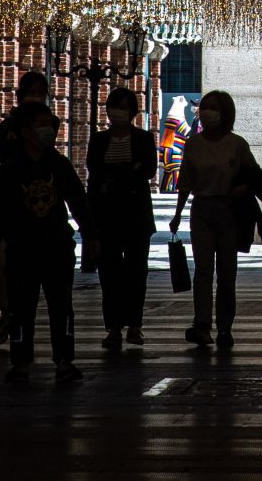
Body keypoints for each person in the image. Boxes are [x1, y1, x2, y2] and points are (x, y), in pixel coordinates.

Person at [0, 100, 88, 383]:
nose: (47, 130)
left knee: (61, 306)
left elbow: (79, 203)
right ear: (25, 131)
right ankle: (20, 362)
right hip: (22, 247)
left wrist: (92, 236)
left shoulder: (59, 165)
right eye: (41, 125)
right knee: (20, 307)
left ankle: (64, 360)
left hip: (56, 247)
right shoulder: (12, 169)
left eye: (49, 125)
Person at [171, 89, 259, 350]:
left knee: (227, 273)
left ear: (225, 114)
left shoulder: (237, 144)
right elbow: (185, 181)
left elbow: (252, 175)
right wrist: (177, 214)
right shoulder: (193, 143)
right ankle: (202, 325)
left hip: (229, 211)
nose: (207, 112)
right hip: (201, 210)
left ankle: (224, 328)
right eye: (205, 107)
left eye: (214, 108)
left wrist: (243, 189)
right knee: (203, 270)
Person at [86, 84, 158, 351]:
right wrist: (130, 171)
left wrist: (116, 176)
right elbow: (94, 172)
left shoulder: (143, 138)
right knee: (109, 272)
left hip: (136, 215)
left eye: (124, 107)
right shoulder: (99, 140)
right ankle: (113, 327)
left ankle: (135, 326)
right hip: (106, 216)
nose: (118, 112)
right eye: (114, 107)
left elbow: (148, 170)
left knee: (137, 271)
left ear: (132, 112)